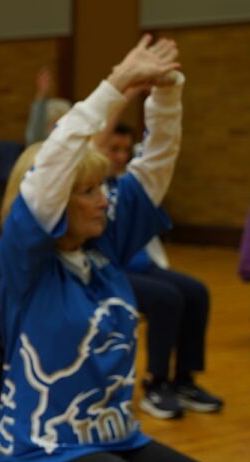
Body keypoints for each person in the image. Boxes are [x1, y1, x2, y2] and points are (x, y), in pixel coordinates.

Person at [0, 36, 250, 462]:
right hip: (44, 449)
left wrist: (165, 95)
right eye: (88, 190)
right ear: (57, 203)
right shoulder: (23, 261)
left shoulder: (104, 246)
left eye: (102, 186)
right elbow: (50, 169)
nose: (104, 197)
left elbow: (155, 166)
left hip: (113, 435)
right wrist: (113, 85)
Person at [98, 121, 222, 419]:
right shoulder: (92, 186)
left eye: (126, 150)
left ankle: (184, 380)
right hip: (109, 273)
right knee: (167, 298)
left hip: (144, 266)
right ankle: (156, 383)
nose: (121, 157)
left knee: (196, 291)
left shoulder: (128, 184)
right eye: (113, 149)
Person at [25, 66, 72, 145]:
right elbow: (34, 137)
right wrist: (42, 94)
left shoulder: (64, 105)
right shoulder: (38, 107)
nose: (46, 83)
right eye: (43, 79)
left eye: (49, 79)